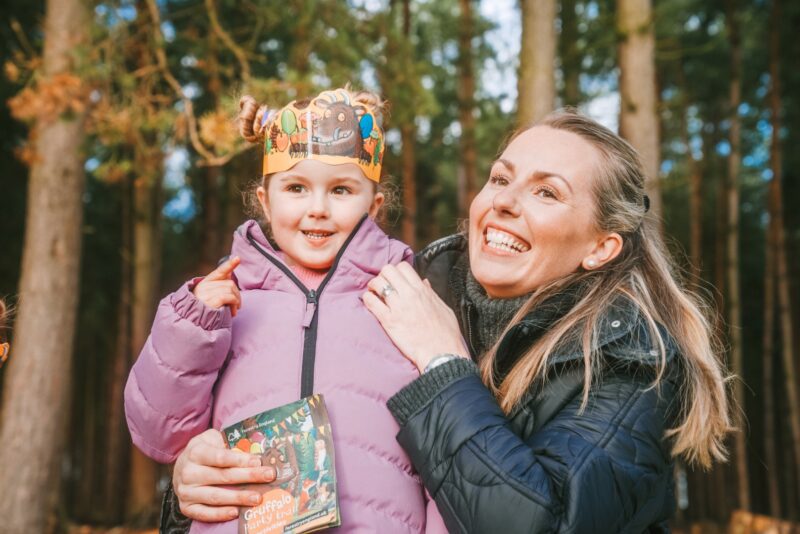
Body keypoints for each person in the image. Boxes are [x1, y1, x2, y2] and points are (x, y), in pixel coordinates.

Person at [168, 110, 732, 532]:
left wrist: (443, 364)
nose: (505, 202)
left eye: (546, 192)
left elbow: (541, 524)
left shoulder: (632, 363)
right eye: (500, 177)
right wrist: (193, 483)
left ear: (601, 247)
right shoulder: (408, 285)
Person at [124, 87, 446, 533]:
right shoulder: (226, 303)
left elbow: (446, 461)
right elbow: (159, 434)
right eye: (296, 188)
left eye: (340, 190)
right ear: (265, 200)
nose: (317, 209)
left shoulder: (406, 300)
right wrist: (191, 328)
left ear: (373, 206)